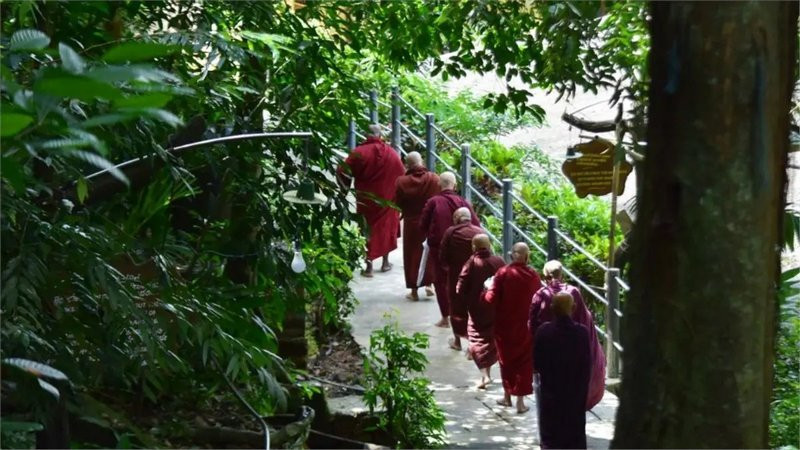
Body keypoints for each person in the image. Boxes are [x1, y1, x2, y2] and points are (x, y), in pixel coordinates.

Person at [529, 260, 606, 410]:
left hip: (550, 356)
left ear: (544, 277)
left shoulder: (540, 296)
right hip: (573, 355)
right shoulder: (574, 294)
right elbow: (585, 319)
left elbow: (532, 325)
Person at [337, 124, 405, 277]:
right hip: (387, 199)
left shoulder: (359, 152)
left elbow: (342, 170)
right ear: (380, 136)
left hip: (366, 199)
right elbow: (401, 174)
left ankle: (368, 266)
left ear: (365, 136)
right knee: (386, 229)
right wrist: (399, 198)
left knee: (367, 229)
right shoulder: (391, 153)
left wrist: (344, 189)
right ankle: (385, 263)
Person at [482, 242, 542, 413]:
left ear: (511, 255)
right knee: (524, 362)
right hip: (525, 327)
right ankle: (520, 402)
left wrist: (485, 289)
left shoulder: (503, 273)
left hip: (505, 327)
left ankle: (507, 396)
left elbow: (490, 300)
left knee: (506, 361)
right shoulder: (533, 275)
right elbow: (538, 300)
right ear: (527, 256)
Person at [420, 172, 480, 327]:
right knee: (464, 280)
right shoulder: (464, 203)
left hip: (440, 249)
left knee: (441, 282)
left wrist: (431, 236)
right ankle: (465, 316)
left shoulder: (433, 202)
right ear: (455, 185)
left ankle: (446, 318)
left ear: (439, 185)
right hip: (464, 249)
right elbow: (476, 226)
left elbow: (423, 224)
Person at [533, 291, 591, 449]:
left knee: (551, 435)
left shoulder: (543, 332)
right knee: (575, 434)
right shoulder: (582, 333)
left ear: (551, 308)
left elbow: (536, 364)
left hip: (551, 392)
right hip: (575, 394)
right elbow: (587, 365)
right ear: (573, 308)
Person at [457, 234, 505, 389]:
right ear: (489, 245)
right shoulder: (499, 261)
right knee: (491, 339)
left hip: (477, 309)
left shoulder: (471, 263)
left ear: (474, 248)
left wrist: (467, 299)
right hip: (496, 308)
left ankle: (485, 376)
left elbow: (460, 287)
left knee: (477, 340)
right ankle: (488, 374)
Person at [394, 151, 440, 300]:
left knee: (411, 255)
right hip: (430, 222)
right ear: (422, 162)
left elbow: (397, 202)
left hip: (411, 223)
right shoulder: (434, 179)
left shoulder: (401, 181)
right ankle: (429, 285)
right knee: (429, 251)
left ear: (407, 165)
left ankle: (414, 292)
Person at [440, 207, 484, 350]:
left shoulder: (451, 232)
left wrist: (449, 268)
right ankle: (473, 344)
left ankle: (458, 341)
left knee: (456, 308)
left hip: (456, 276)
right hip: (476, 277)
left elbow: (443, 256)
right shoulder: (479, 232)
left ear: (457, 219)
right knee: (474, 308)